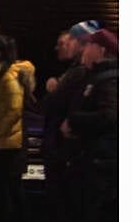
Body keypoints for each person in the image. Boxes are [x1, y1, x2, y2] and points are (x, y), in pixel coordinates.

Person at [41, 20, 98, 222]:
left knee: (62, 202)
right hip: (64, 146)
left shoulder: (78, 72)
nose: (66, 44)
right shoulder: (79, 71)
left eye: (70, 40)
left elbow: (52, 103)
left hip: (62, 147)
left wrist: (53, 90)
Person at [60, 28, 118, 222]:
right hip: (89, 159)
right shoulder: (96, 76)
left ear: (101, 50)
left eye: (89, 45)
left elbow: (110, 116)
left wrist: (74, 120)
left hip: (99, 162)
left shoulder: (110, 79)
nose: (84, 49)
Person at [0, 35, 33, 222]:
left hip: (4, 145)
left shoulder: (8, 77)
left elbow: (13, 110)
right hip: (2, 143)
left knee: (5, 191)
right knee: (8, 190)